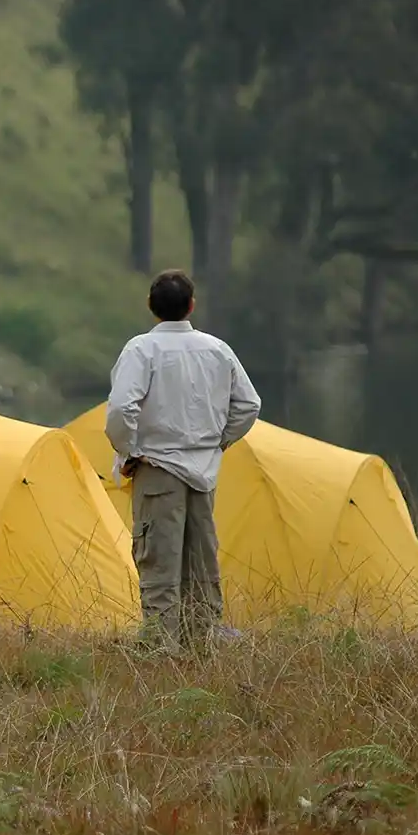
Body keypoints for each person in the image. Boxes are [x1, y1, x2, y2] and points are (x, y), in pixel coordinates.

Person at [104, 269, 261, 653]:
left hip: (157, 469)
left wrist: (130, 451)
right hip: (204, 474)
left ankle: (161, 648)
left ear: (150, 307)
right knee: (200, 562)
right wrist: (219, 442)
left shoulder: (141, 350)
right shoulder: (217, 350)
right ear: (192, 306)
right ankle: (201, 645)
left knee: (159, 560)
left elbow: (121, 408)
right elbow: (248, 405)